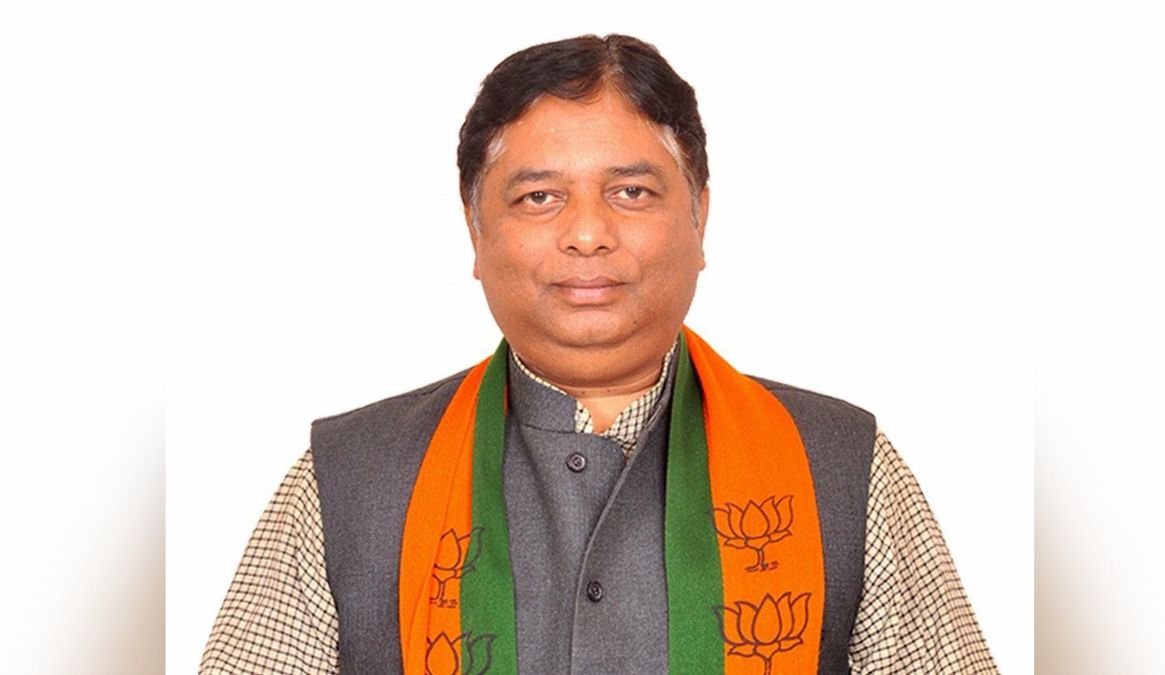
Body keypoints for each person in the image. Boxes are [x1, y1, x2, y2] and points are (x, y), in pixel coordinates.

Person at [200, 34, 998, 674]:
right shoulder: (348, 479)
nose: (587, 232)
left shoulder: (841, 466)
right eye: (539, 196)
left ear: (700, 218)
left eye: (631, 192)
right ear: (475, 229)